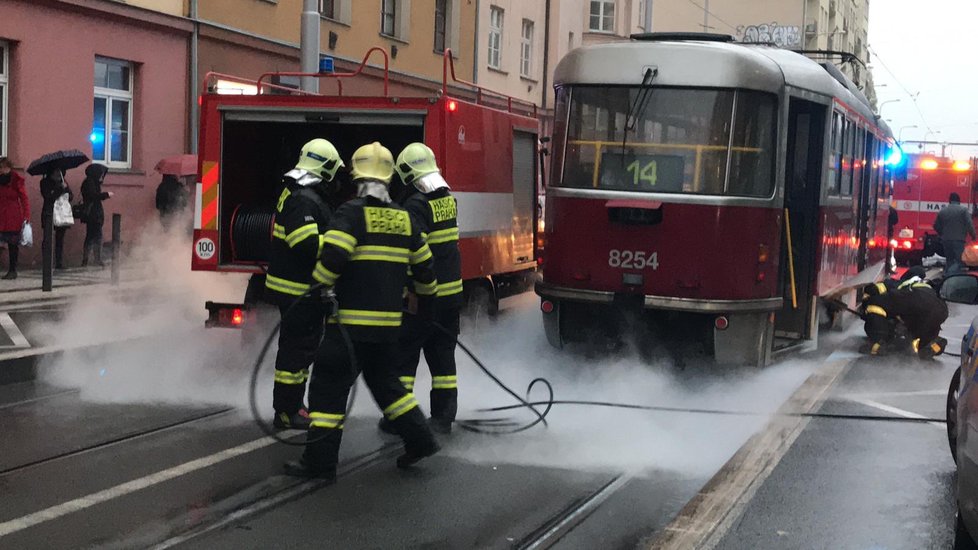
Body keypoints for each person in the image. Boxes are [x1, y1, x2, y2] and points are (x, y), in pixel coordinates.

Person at [285, 142, 440, 481]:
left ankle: (320, 464)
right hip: (387, 330)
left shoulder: (351, 214)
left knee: (327, 391)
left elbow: (334, 257)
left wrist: (320, 287)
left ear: (357, 177)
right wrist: (425, 306)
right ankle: (420, 439)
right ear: (389, 179)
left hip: (349, 328)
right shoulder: (405, 219)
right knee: (389, 386)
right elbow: (427, 272)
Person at [380, 142, 464, 435]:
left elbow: (414, 254)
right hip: (451, 296)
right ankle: (442, 418)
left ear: (406, 174)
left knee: (404, 358)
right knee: (443, 360)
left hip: (424, 297)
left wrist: (404, 289)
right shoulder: (447, 200)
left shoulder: (414, 206)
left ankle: (399, 418)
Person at [264, 138, 345, 430]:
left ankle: (292, 406)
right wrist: (340, 243)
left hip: (297, 290)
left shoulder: (298, 193)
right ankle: (287, 412)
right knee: (296, 354)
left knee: (299, 352)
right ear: (324, 170)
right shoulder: (303, 199)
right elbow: (306, 243)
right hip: (298, 291)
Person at [860, 267, 949, 359]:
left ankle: (879, 343)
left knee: (873, 305)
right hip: (939, 311)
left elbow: (875, 290)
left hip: (913, 300)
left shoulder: (901, 283)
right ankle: (929, 344)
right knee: (924, 328)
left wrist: (866, 303)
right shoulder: (926, 285)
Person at [0, 158, 29, 279]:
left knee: (12, 244)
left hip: (13, 215)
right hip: (1, 213)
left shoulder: (16, 180)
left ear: (9, 168)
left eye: (3, 167)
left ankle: (12, 270)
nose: (1, 170)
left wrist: (26, 215)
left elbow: (24, 198)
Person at [934, 192, 976, 275]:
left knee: (949, 259)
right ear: (959, 201)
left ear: (950, 200)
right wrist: (973, 235)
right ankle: (953, 274)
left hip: (946, 240)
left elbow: (935, 225)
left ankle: (948, 275)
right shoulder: (963, 211)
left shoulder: (943, 211)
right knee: (959, 260)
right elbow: (969, 224)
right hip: (959, 240)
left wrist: (942, 234)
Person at [80, 164, 113, 267]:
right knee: (96, 236)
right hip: (93, 214)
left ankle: (87, 260)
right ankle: (96, 259)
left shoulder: (92, 182)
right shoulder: (89, 183)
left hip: (94, 213)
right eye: (101, 174)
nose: (102, 176)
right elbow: (93, 196)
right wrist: (106, 195)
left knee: (91, 236)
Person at [40, 168, 73, 269]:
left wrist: (66, 189)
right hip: (50, 213)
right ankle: (47, 262)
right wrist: (60, 189)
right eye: (56, 172)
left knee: (60, 239)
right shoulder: (45, 182)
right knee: (47, 238)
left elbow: (71, 196)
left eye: (60, 172)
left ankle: (59, 262)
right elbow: (48, 197)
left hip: (62, 214)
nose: (59, 174)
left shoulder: (63, 181)